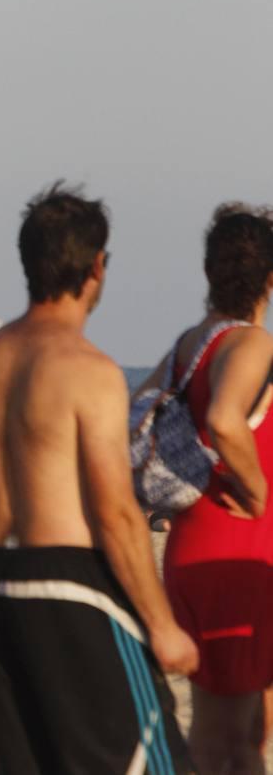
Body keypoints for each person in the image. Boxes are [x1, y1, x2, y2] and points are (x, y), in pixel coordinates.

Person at [0, 183, 196, 772]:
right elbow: (116, 514)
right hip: (67, 586)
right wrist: (163, 625)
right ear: (96, 267)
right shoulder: (87, 369)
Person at [145, 204, 273, 772]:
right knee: (226, 736)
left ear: (208, 272)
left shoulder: (188, 345)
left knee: (243, 731)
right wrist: (257, 489)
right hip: (235, 544)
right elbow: (224, 419)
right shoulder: (251, 343)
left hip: (195, 541)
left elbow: (130, 418)